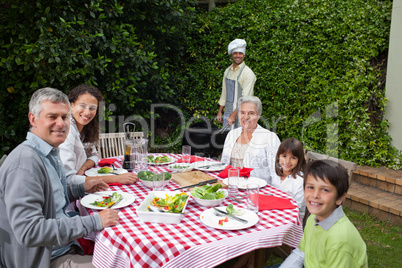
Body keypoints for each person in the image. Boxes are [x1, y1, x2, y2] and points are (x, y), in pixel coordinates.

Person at [0, 87, 119, 267]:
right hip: (47, 258)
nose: (61, 123)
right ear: (33, 119)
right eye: (52, 117)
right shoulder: (25, 163)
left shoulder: (48, 152)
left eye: (64, 117)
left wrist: (81, 187)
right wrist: (94, 221)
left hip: (66, 244)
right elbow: (29, 232)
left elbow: (52, 198)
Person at [277, 160, 368, 268]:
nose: (315, 195)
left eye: (325, 189)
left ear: (340, 198)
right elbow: (301, 253)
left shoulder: (340, 240)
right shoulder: (313, 218)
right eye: (310, 187)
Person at [59, 84, 138, 185]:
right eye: (82, 106)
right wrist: (115, 178)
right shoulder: (66, 129)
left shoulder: (85, 129)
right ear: (71, 105)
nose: (87, 112)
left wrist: (83, 168)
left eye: (92, 108)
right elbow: (67, 180)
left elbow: (94, 156)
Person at [221, 96, 280, 184]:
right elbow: (223, 165)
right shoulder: (231, 134)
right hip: (230, 186)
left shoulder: (270, 138)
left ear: (258, 115)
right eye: (242, 112)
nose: (246, 117)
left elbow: (276, 173)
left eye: (251, 113)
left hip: (256, 190)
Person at [216, 39, 256, 128]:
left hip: (243, 115)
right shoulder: (227, 71)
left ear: (244, 55)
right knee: (227, 139)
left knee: (241, 139)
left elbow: (245, 100)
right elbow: (224, 93)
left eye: (240, 53)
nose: (238, 56)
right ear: (232, 54)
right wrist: (220, 111)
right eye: (235, 53)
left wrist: (233, 115)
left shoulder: (248, 74)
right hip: (228, 113)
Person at [272, 138, 306, 219]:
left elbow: (296, 207)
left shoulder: (299, 181)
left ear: (299, 160)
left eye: (293, 158)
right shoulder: (276, 174)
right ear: (278, 156)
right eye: (284, 156)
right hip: (274, 212)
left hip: (290, 218)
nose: (287, 161)